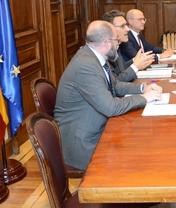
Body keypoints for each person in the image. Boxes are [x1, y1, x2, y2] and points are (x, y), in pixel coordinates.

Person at [54, 20, 163, 170]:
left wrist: (143, 88)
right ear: (106, 43)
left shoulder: (93, 57)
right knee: (140, 155)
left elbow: (115, 85)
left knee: (141, 140)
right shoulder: (87, 65)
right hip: (84, 142)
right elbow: (111, 107)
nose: (118, 44)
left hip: (97, 128)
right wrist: (144, 99)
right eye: (116, 40)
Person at [102, 10, 155, 81]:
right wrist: (135, 66)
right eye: (122, 26)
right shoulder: (106, 51)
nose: (128, 29)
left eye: (126, 25)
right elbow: (116, 82)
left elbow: (122, 69)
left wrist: (135, 60)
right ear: (110, 29)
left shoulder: (117, 47)